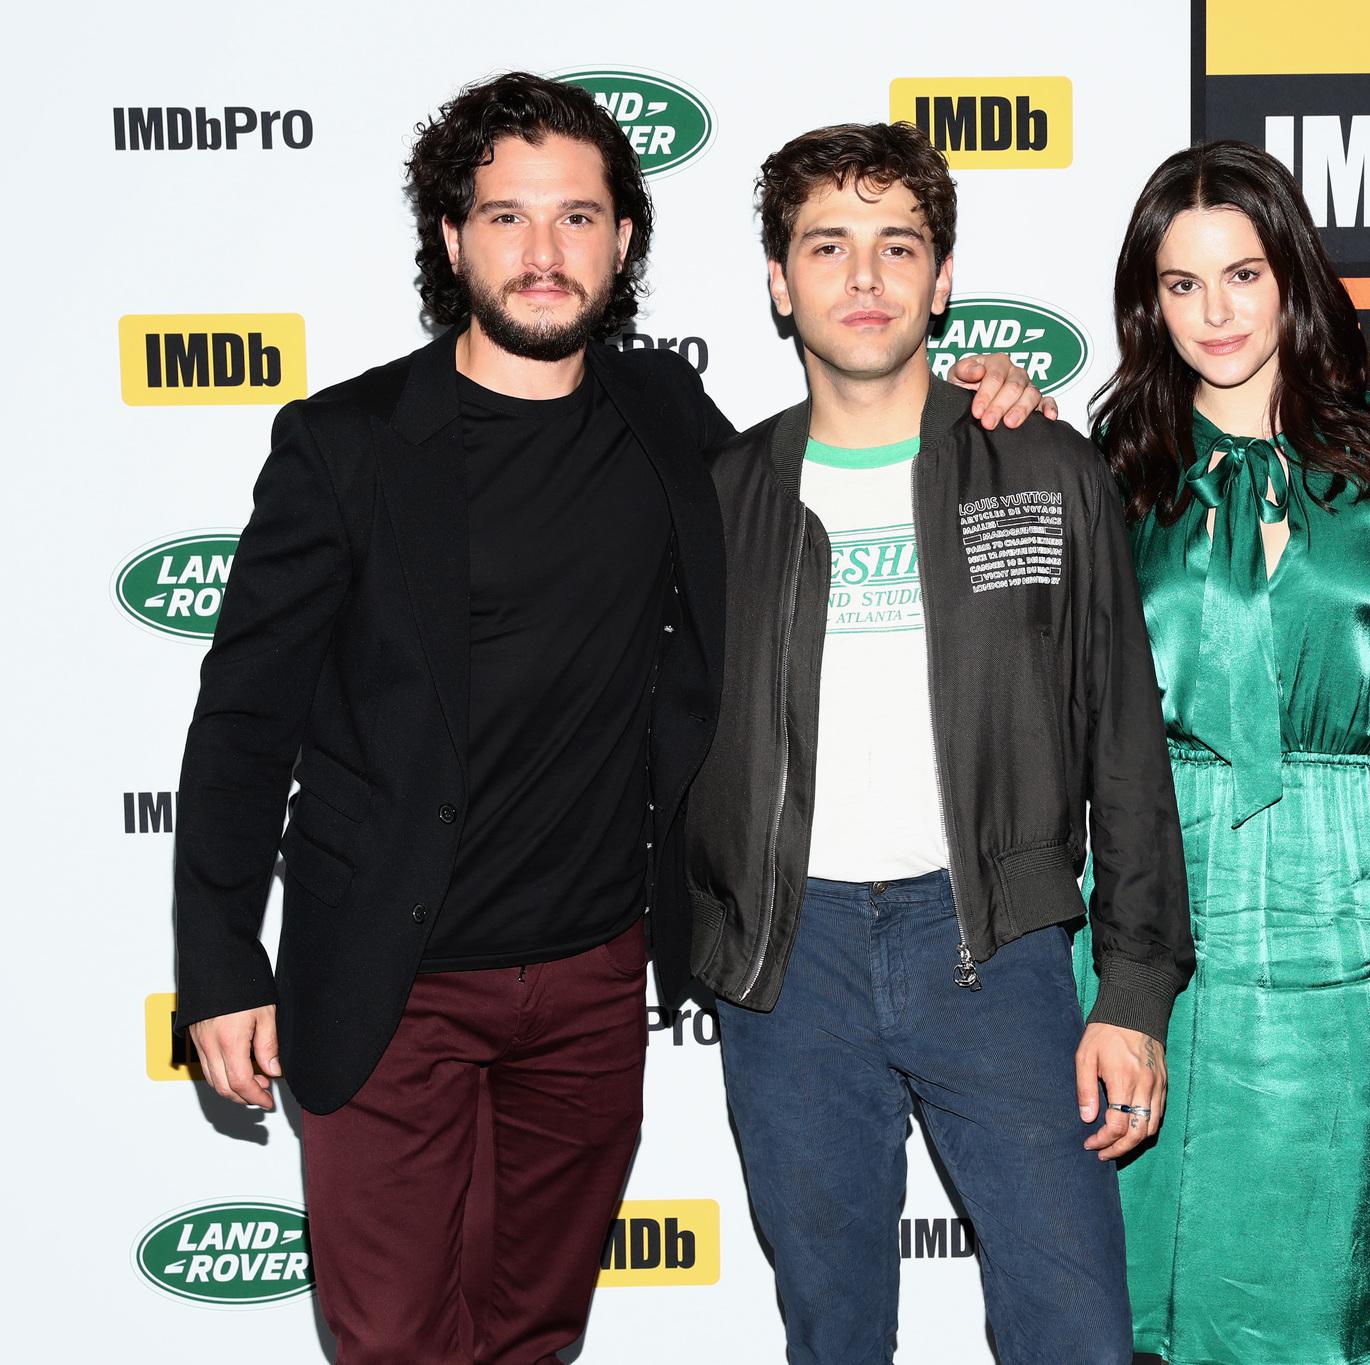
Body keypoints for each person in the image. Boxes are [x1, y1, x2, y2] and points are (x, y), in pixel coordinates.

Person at [171, 74, 1050, 1363]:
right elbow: (243, 724)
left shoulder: (667, 423)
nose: (542, 253)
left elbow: (843, 431)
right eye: (508, 217)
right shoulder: (346, 446)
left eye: (577, 218)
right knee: (398, 1342)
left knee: (535, 1334)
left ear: (623, 242)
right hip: (387, 983)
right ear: (451, 236)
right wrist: (220, 965)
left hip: (589, 986)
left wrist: (982, 397)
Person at [684, 121, 1193, 1365]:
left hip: (996, 951)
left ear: (942, 279)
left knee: (1075, 1331)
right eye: (826, 246)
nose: (862, 279)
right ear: (776, 280)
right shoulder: (718, 498)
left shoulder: (1041, 466)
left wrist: (1130, 992)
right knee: (834, 1335)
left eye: (895, 245)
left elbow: (1123, 740)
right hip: (787, 964)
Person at [1075, 140, 1370, 1365]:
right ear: (1149, 305)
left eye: (1240, 275)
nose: (1214, 313)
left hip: (1341, 887)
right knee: (1155, 1254)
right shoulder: (1110, 475)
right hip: (1158, 890)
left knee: (1329, 1263)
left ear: (1291, 277)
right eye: (1180, 286)